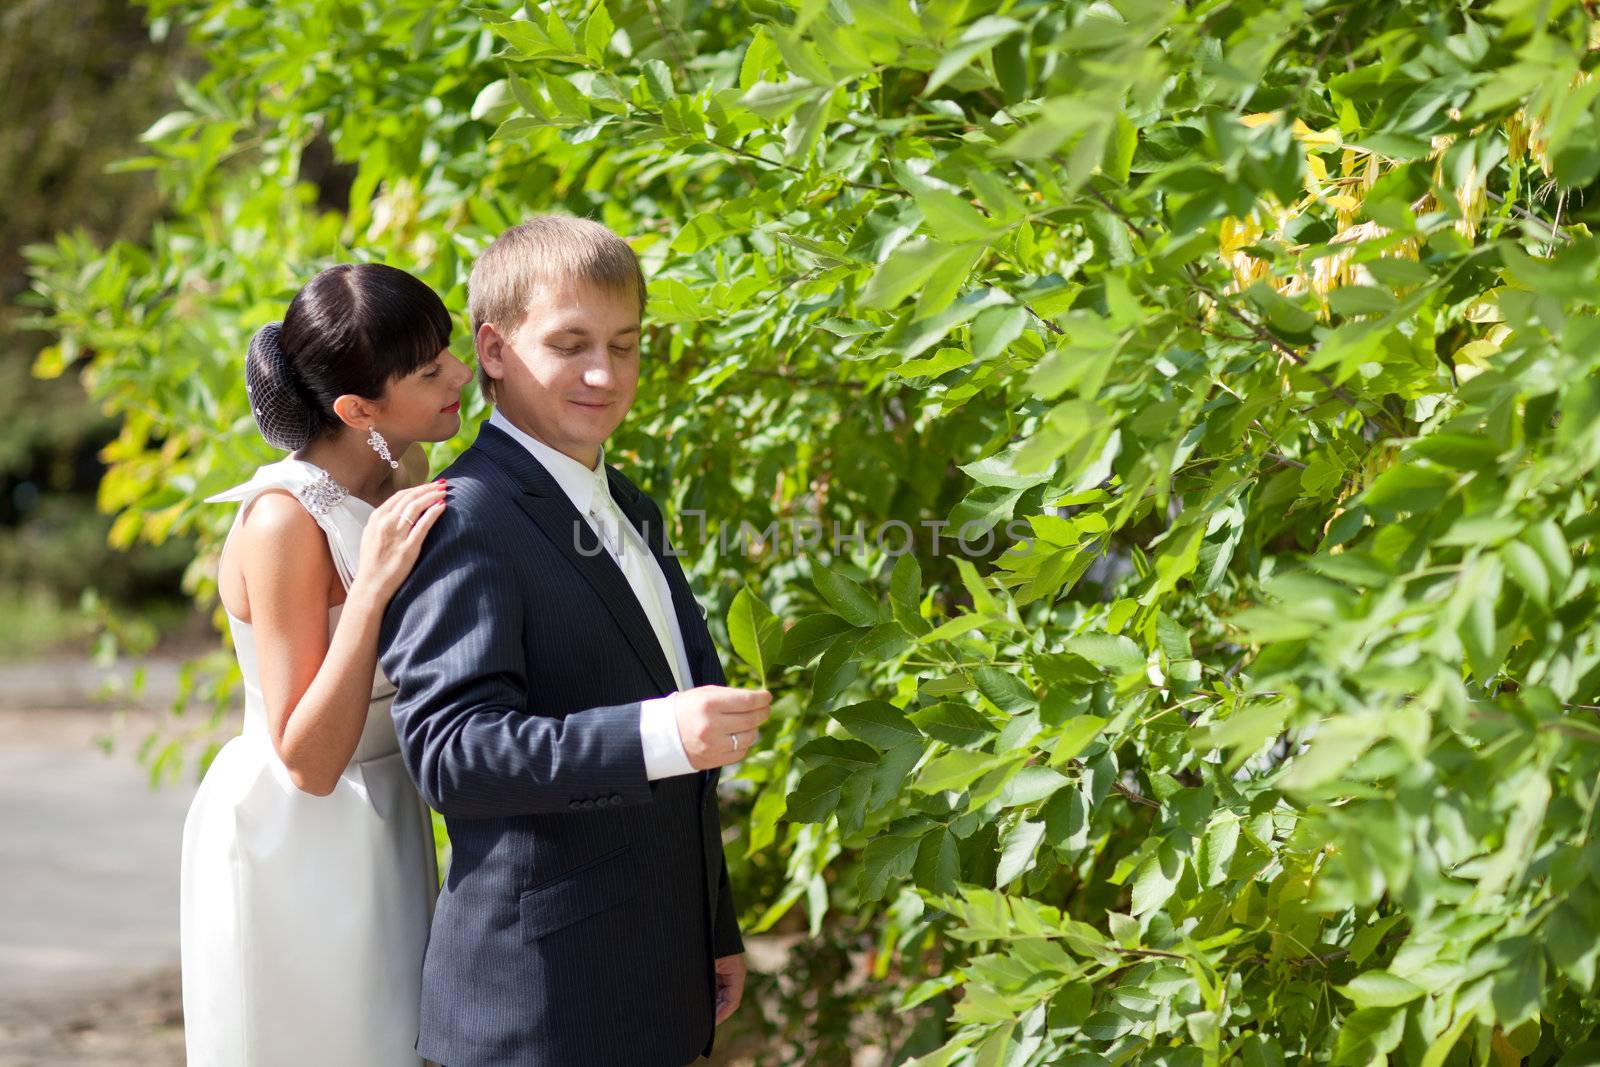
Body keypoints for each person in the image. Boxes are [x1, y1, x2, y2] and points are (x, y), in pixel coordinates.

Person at [378, 214, 771, 1067]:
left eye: (625, 344)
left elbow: (681, 781)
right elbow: (452, 754)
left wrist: (712, 925)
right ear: (492, 350)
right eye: (570, 344)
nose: (605, 372)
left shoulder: (629, 504)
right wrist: (658, 734)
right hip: (538, 1011)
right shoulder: (465, 519)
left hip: (651, 980)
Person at [180, 262, 474, 1066]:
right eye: (429, 369)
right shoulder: (284, 521)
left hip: (389, 817)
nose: (460, 371)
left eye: (447, 348)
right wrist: (373, 588)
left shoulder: (400, 473)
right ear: (356, 409)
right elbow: (305, 760)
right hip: (295, 837)